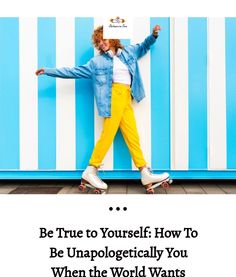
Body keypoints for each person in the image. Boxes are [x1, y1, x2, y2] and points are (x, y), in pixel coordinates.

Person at [36, 25, 170, 193]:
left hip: (126, 96)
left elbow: (144, 46)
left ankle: (144, 171)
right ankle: (91, 169)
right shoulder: (96, 62)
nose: (101, 44)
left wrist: (154, 35)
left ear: (112, 39)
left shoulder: (128, 52)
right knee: (108, 134)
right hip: (113, 97)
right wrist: (48, 71)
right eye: (98, 42)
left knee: (132, 135)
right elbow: (73, 71)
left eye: (104, 39)